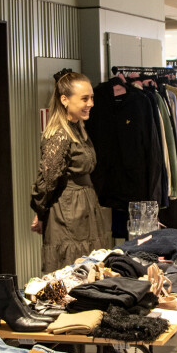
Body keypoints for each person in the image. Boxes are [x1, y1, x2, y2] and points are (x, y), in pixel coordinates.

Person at [30, 71, 112, 272]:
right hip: (68, 213)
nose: (91, 103)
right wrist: (40, 212)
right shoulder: (59, 134)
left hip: (83, 208)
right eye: (84, 98)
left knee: (89, 269)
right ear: (65, 100)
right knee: (71, 271)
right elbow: (46, 181)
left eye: (91, 97)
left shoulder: (77, 128)